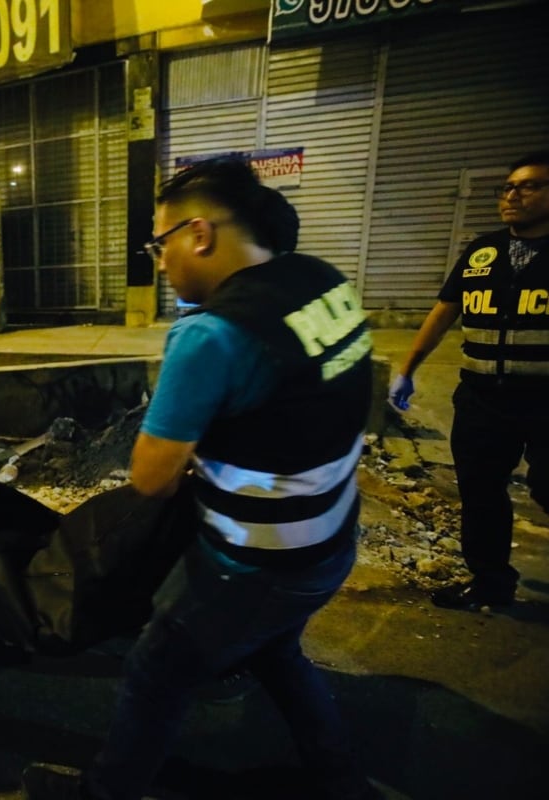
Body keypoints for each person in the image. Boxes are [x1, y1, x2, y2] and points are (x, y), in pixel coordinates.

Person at [22, 157, 379, 800]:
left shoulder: (211, 335)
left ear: (200, 234)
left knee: (158, 670)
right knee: (274, 650)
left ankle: (105, 793)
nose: (159, 262)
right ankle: (338, 773)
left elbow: (151, 478)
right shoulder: (324, 281)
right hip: (330, 539)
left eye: (159, 245)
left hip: (252, 563)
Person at [389, 150, 549, 612]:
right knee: (480, 494)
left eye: (529, 185)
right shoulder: (483, 252)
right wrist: (407, 369)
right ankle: (490, 583)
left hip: (545, 402)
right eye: (508, 187)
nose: (513, 195)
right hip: (482, 399)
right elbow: (443, 314)